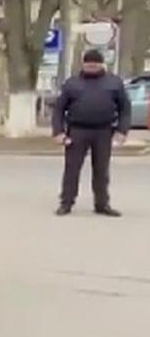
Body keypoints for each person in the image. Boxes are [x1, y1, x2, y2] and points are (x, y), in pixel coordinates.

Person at [52, 49, 130, 217]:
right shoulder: (72, 83)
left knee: (101, 170)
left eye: (95, 64)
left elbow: (125, 109)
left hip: (103, 131)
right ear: (83, 64)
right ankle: (66, 203)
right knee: (72, 169)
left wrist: (122, 131)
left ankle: (102, 204)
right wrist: (58, 132)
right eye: (88, 64)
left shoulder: (114, 83)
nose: (91, 66)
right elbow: (59, 109)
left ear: (102, 64)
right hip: (77, 131)